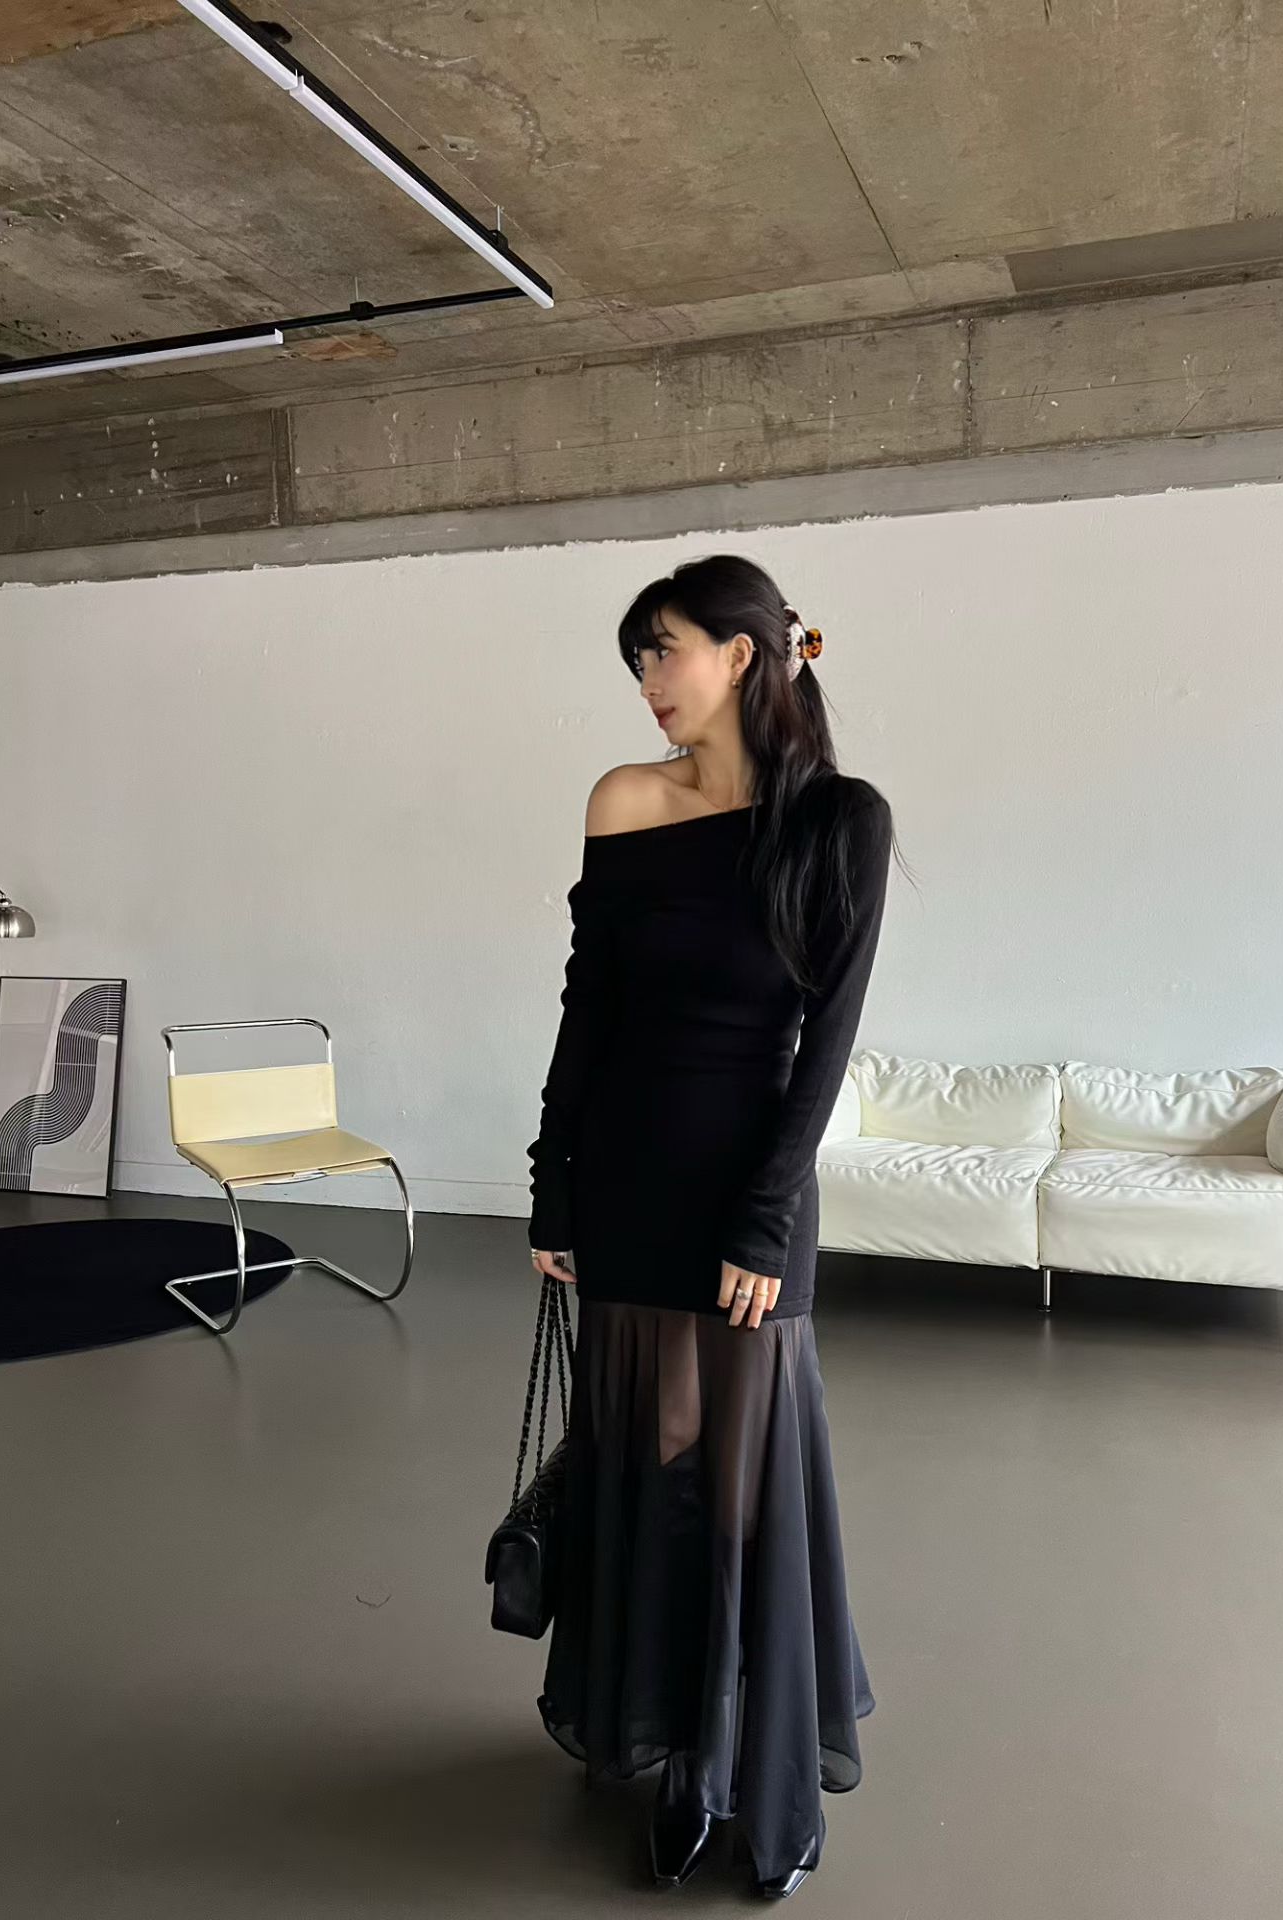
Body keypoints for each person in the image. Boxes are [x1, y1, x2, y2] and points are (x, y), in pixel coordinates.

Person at [525, 552, 898, 1899]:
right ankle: (682, 1754)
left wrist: (763, 1218)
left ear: (742, 655)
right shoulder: (623, 802)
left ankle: (757, 1765)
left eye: (663, 650)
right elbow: (590, 1005)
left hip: (750, 1193)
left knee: (745, 1481)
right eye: (636, 659)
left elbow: (826, 1046)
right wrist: (552, 1179)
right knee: (660, 1463)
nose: (648, 681)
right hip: (629, 1182)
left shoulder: (842, 821)